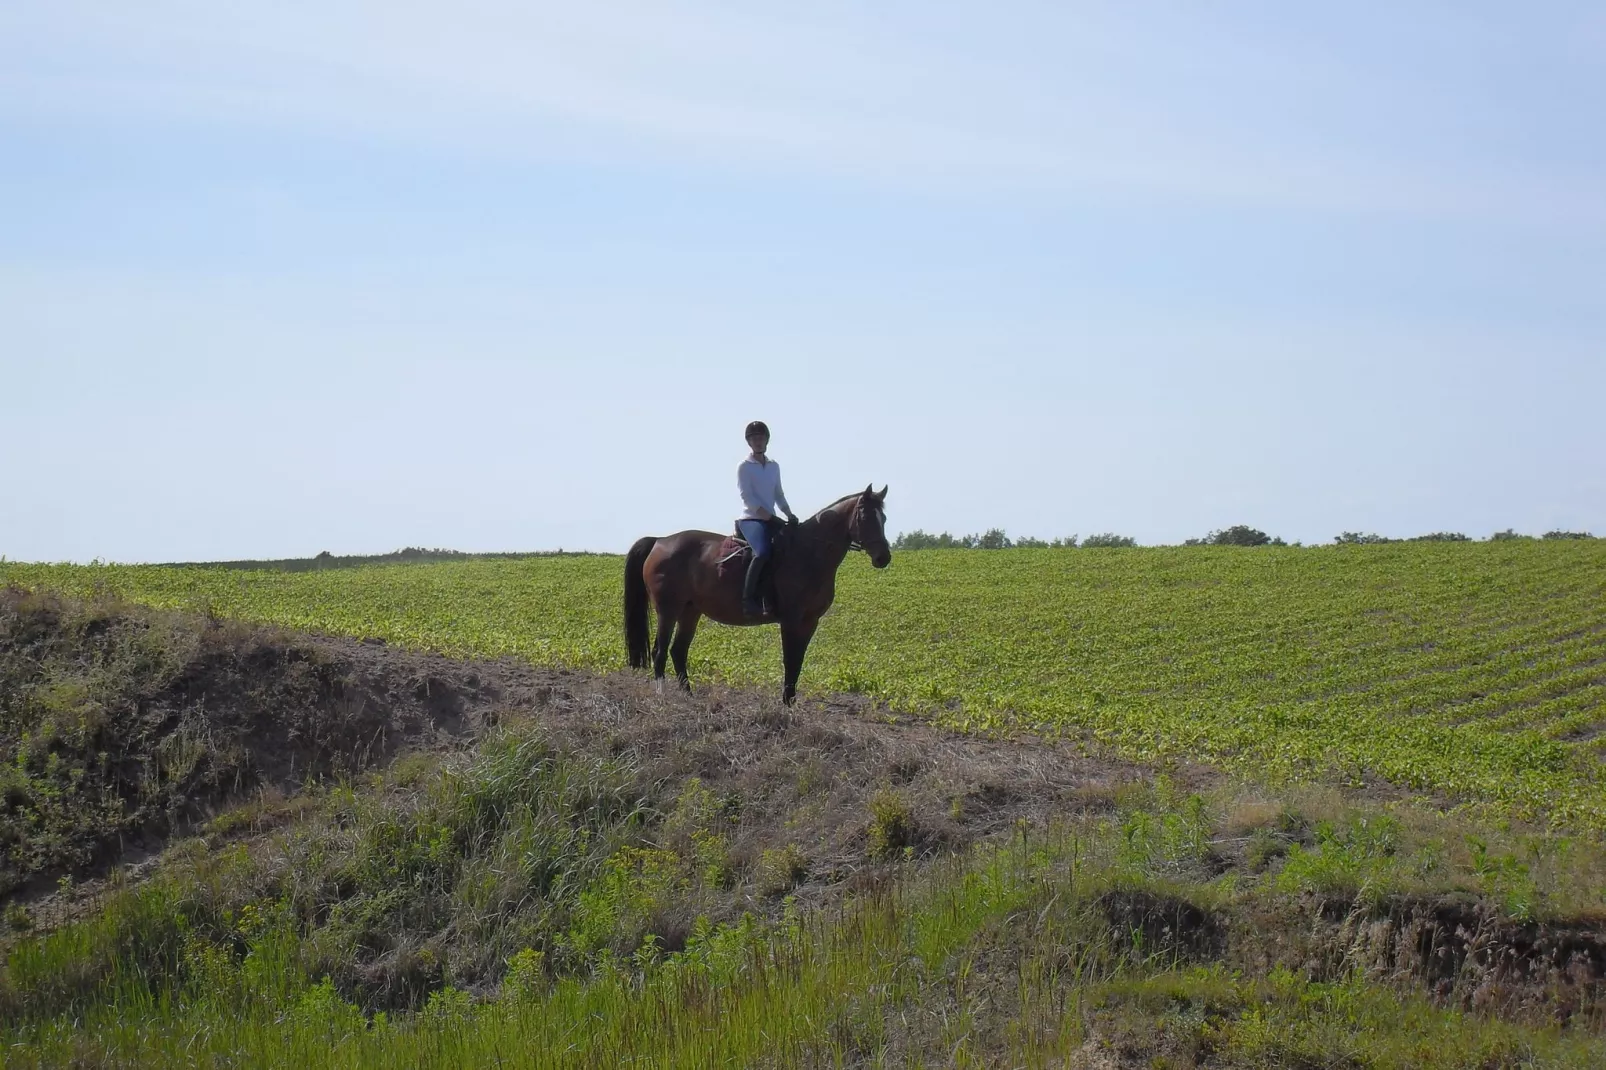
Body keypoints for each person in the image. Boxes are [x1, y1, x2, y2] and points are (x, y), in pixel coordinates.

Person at [737, 420, 799, 617]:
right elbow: (747, 497)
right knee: (763, 552)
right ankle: (748, 601)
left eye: (761, 438)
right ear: (749, 442)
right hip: (751, 520)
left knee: (791, 548)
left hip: (771, 518)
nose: (758, 441)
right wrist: (768, 517)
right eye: (754, 438)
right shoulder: (744, 467)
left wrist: (789, 514)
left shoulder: (774, 466)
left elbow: (778, 494)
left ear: (766, 441)